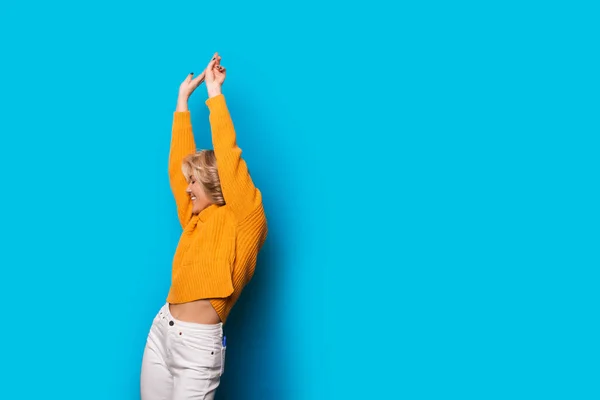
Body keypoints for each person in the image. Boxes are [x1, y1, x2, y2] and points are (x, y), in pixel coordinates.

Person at [140, 52, 268, 400]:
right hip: (161, 332)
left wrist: (214, 95)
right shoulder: (196, 219)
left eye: (193, 182)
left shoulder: (244, 219)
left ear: (214, 183)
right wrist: (182, 102)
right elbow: (176, 166)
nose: (187, 189)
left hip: (197, 346)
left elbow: (228, 156)